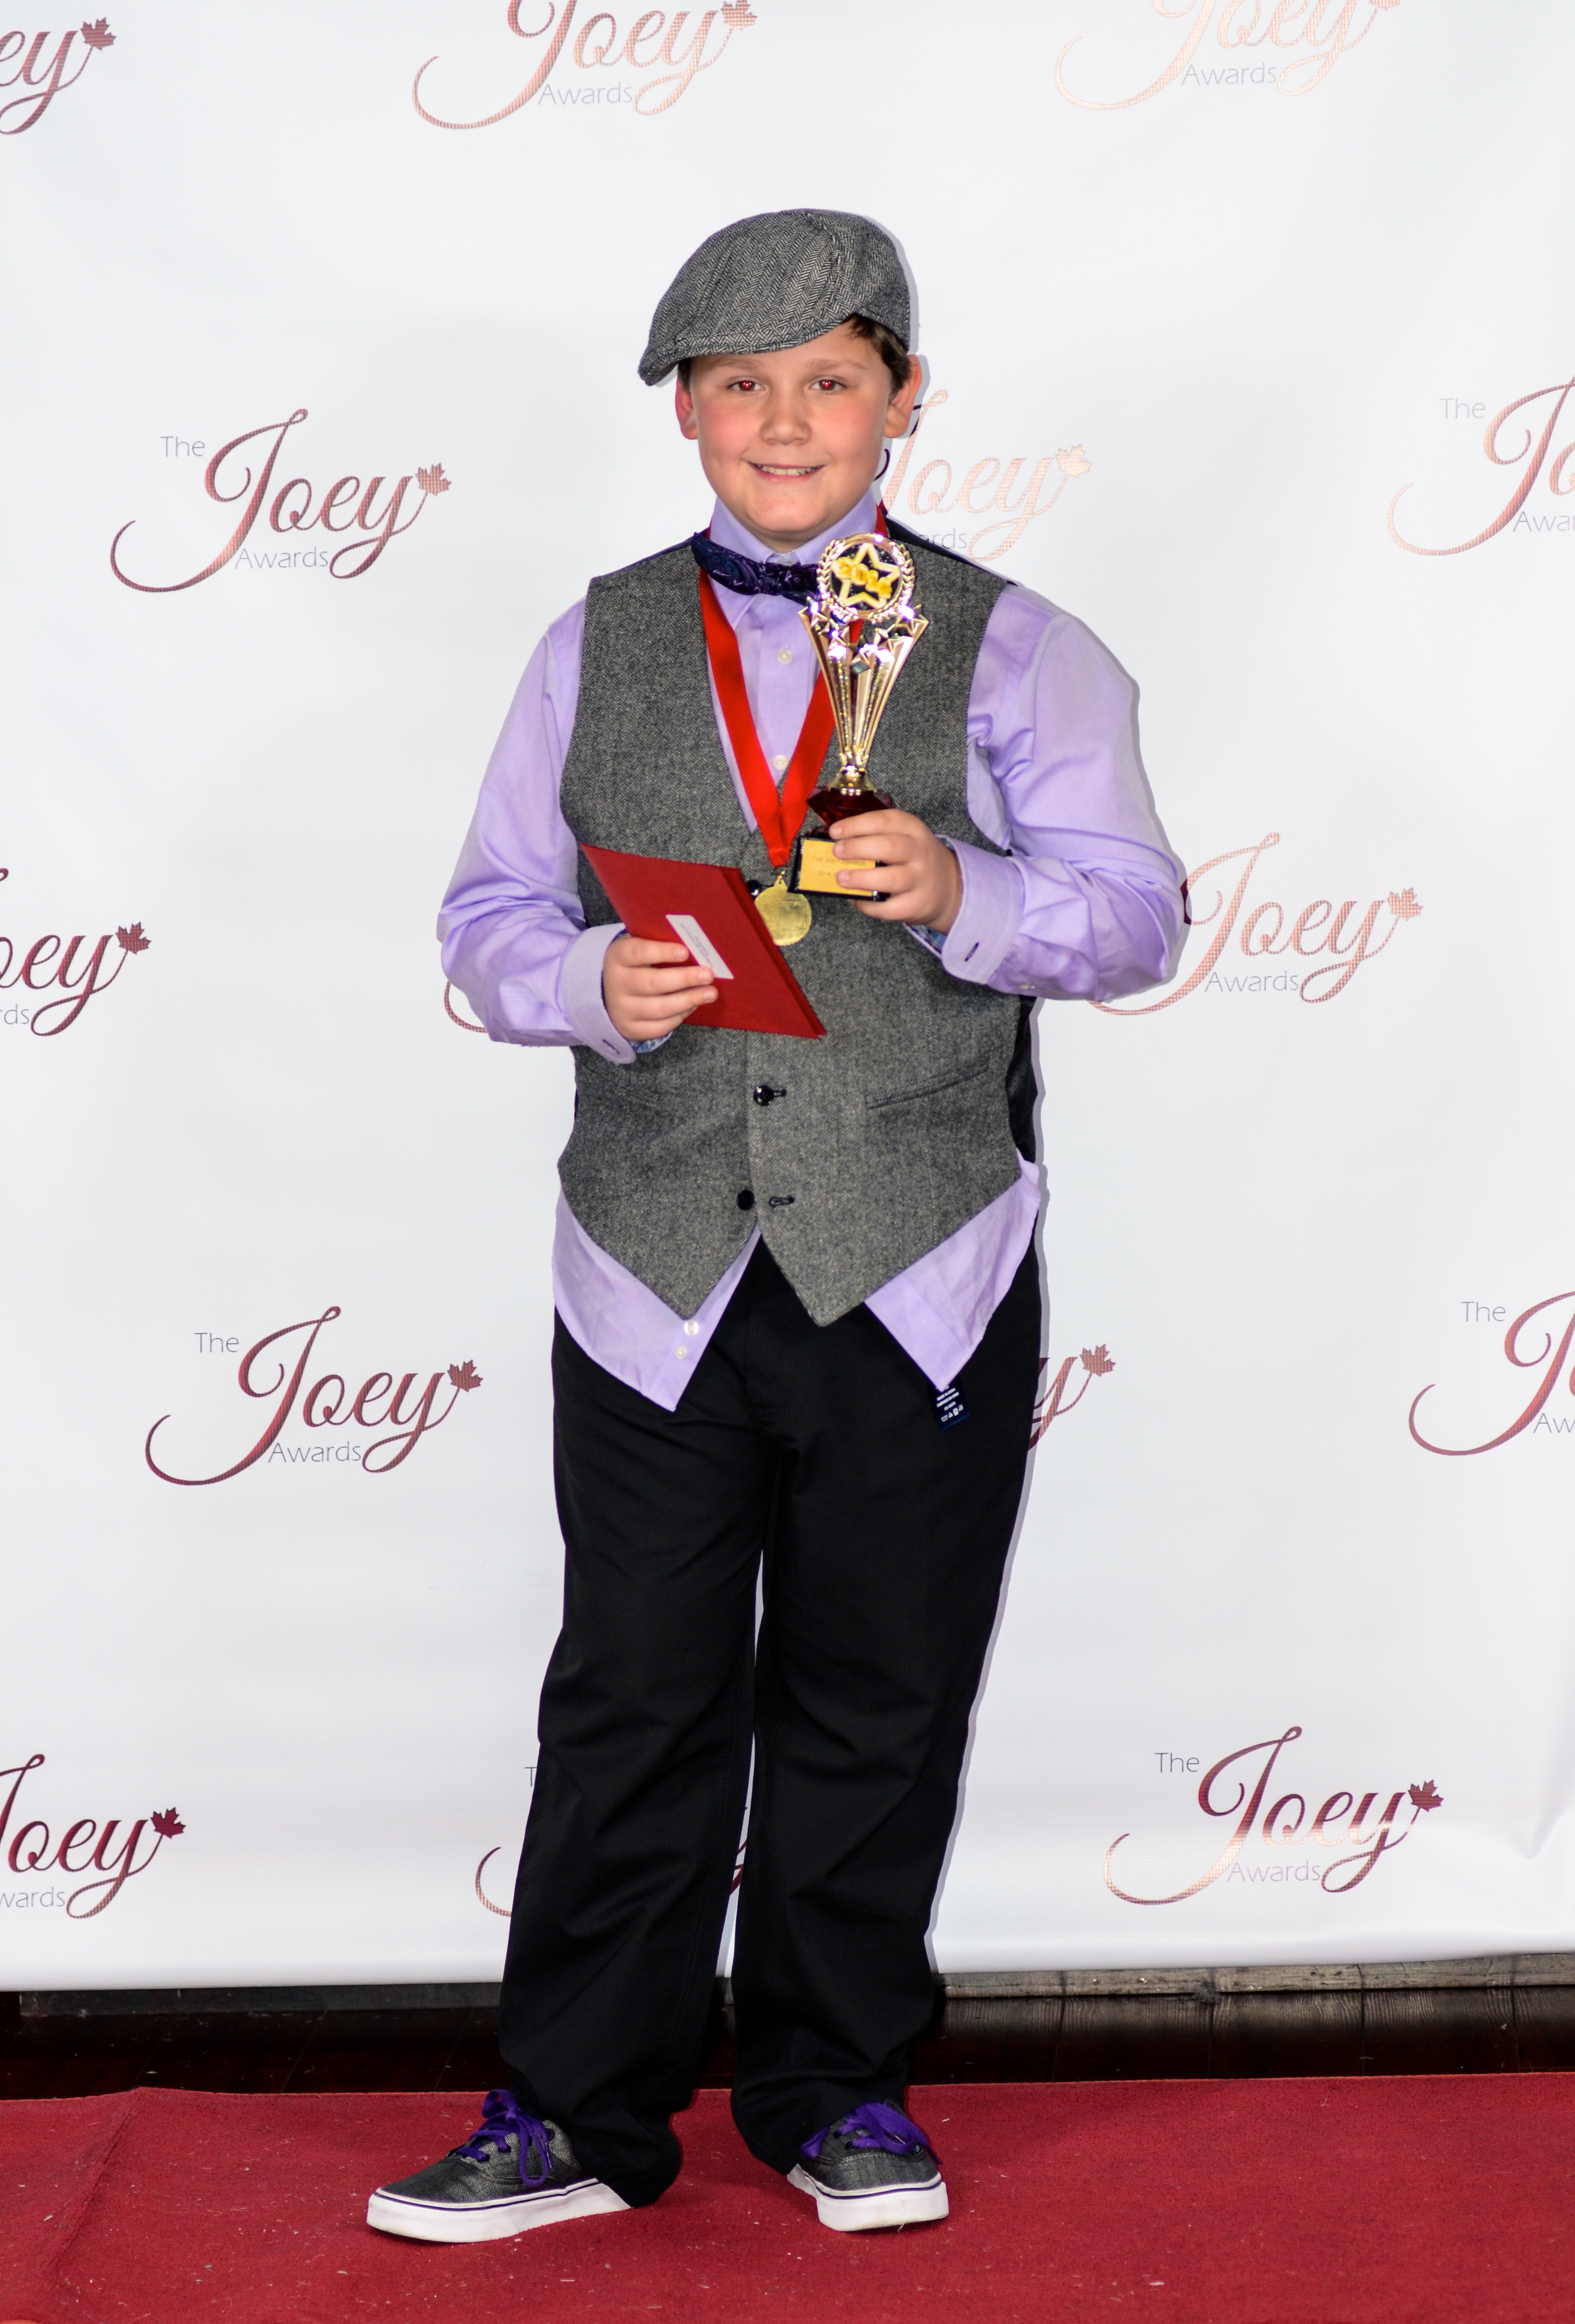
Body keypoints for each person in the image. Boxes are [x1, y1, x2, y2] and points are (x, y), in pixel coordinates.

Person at [368, 208, 1184, 2247]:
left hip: (917, 1259)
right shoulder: (594, 637)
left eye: (829, 377)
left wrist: (964, 889)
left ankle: (838, 2091)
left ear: (905, 402)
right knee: (633, 1689)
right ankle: (567, 2109)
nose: (785, 417)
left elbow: (1140, 911)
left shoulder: (1021, 643)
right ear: (686, 415)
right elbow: (486, 918)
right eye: (739, 383)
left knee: (876, 1689)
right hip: (649, 1269)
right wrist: (580, 985)